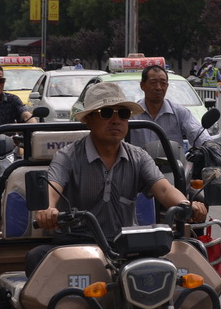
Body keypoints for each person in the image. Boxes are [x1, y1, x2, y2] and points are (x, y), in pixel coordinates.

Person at [24, 82, 208, 275]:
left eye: (123, 114)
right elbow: (52, 188)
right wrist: (47, 209)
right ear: (89, 120)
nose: (116, 120)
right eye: (106, 113)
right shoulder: (68, 156)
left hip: (126, 245)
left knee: (191, 255)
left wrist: (186, 205)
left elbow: (163, 189)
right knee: (36, 258)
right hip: (76, 244)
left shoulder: (139, 157)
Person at [129, 64, 213, 150]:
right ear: (142, 85)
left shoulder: (180, 112)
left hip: (171, 159)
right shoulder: (131, 114)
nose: (158, 87)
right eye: (153, 83)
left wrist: (209, 145)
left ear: (167, 86)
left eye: (163, 83)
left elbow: (197, 131)